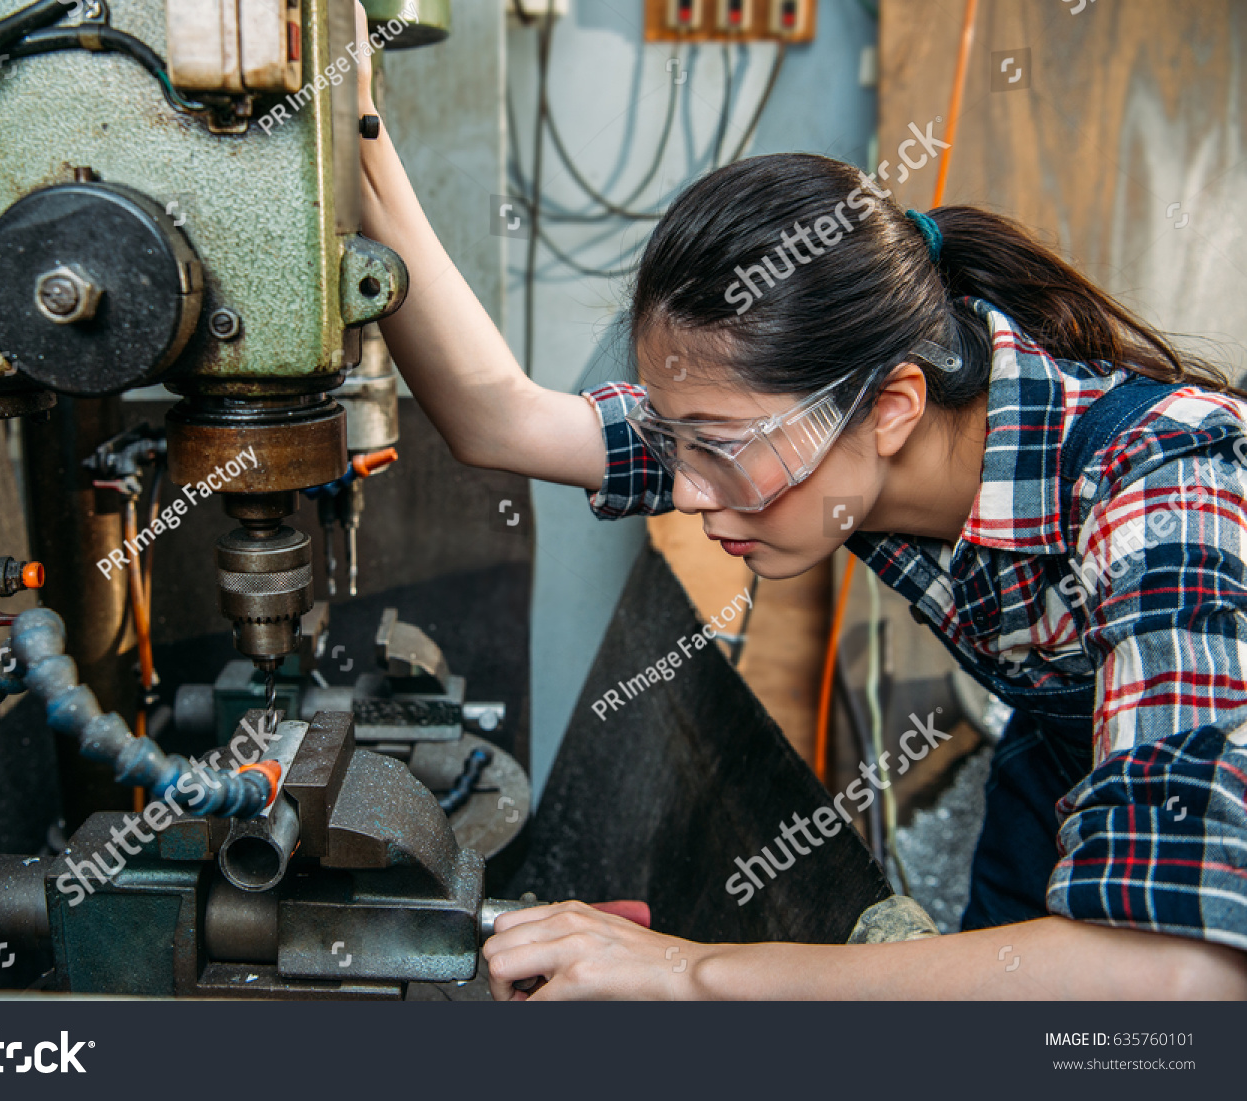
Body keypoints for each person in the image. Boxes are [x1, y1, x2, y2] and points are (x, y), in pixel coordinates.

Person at [351, 6, 1247, 999]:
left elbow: (1181, 977)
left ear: (893, 407)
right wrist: (352, 137)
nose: (689, 492)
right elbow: (499, 422)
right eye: (674, 439)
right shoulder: (841, 442)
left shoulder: (1170, 495)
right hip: (1061, 761)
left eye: (720, 447)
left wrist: (688, 973)